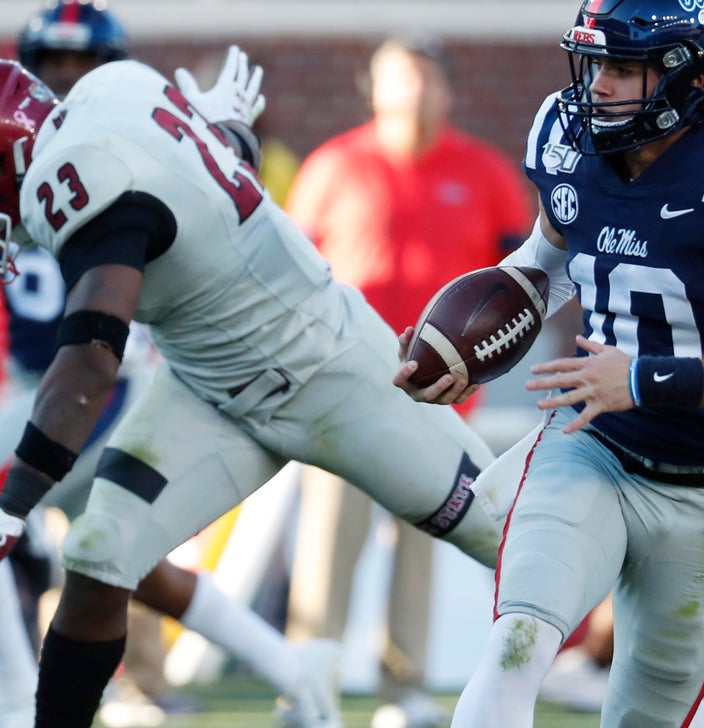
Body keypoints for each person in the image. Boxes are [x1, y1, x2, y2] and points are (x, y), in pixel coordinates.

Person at [0, 47, 513, 728]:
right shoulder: (116, 89)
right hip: (207, 386)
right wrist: (230, 136)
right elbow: (195, 189)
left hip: (330, 372)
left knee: (518, 538)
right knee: (99, 553)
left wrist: (13, 504)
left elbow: (91, 360)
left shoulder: (73, 177)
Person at [397, 0, 704, 724]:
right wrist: (464, 344)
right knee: (516, 645)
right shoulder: (571, 137)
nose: (598, 84)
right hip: (592, 446)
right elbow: (549, 259)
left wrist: (642, 378)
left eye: (626, 68)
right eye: (597, 62)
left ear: (695, 76)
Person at [2, 6, 333, 727]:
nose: (62, 81)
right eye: (50, 65)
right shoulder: (18, 155)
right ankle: (292, 668)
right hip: (38, 386)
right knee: (123, 567)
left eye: (78, 65)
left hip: (104, 378)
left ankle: (18, 705)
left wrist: (219, 138)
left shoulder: (122, 146)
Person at [282, 35, 532, 728]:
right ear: (376, 88)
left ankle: (406, 689)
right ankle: (311, 682)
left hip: (444, 398)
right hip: (342, 389)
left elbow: (521, 288)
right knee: (328, 543)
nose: (416, 93)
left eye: (427, 80)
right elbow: (292, 278)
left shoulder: (484, 171)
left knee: (424, 539)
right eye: (402, 79)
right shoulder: (333, 165)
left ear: (447, 91)